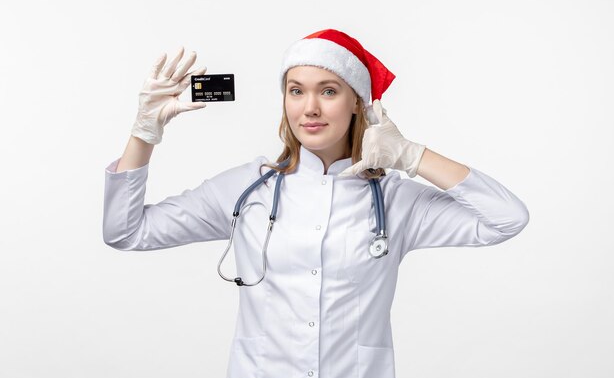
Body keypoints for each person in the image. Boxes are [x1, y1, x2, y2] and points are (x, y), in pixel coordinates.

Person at [103, 29, 530, 378]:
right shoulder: (246, 189)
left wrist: (413, 156)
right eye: (296, 91)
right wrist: (145, 131)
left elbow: (506, 219)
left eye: (328, 91)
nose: (309, 108)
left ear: (358, 104)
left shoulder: (398, 201)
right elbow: (126, 232)